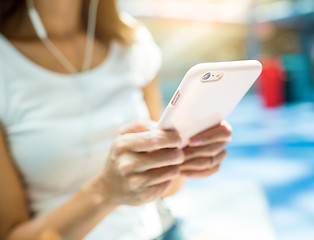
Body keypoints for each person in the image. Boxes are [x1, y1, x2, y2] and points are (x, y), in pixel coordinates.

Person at [0, 0, 232, 239]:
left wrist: (187, 159)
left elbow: (169, 188)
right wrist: (105, 192)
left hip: (162, 231)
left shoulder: (130, 39)